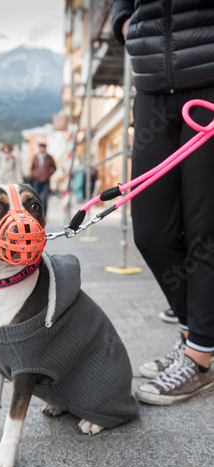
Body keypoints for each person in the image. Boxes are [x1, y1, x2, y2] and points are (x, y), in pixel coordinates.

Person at [112, 0, 214, 405]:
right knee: (151, 231)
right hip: (152, 86)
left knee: (204, 230)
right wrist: (124, 22)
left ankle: (200, 355)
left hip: (208, 77)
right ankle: (194, 332)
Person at [30, 143, 56, 214]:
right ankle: (35, 213)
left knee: (44, 198)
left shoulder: (49, 158)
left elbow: (54, 168)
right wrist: (34, 174)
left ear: (45, 148)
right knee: (35, 198)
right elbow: (32, 168)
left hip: (45, 181)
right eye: (40, 147)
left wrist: (48, 174)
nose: (41, 149)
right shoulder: (36, 157)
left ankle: (44, 214)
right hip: (37, 181)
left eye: (43, 148)